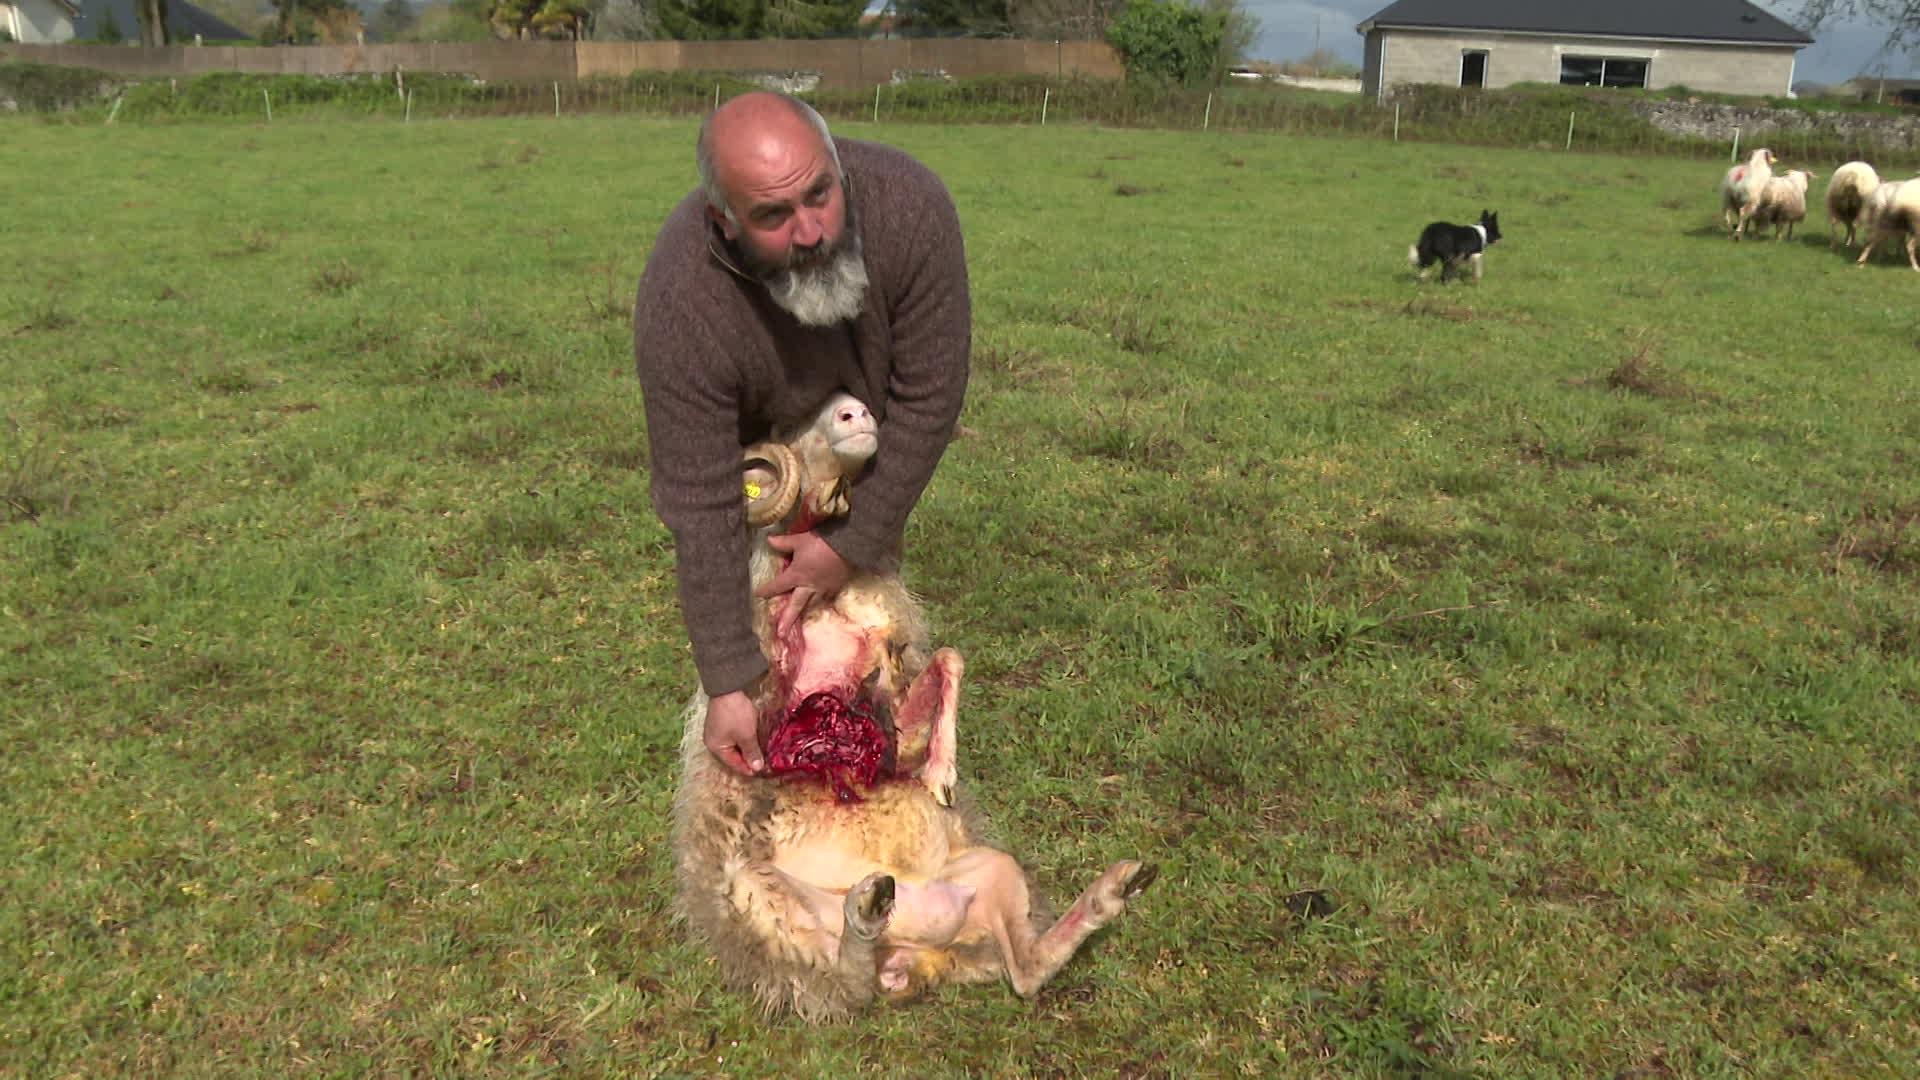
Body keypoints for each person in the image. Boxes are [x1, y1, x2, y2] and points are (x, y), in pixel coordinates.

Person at [633, 92, 971, 778]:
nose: (811, 230)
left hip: (868, 434)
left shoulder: (910, 207)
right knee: (766, 632)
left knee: (867, 621)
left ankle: (875, 745)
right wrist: (726, 676)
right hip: (760, 463)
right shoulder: (682, 300)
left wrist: (851, 542)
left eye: (821, 193)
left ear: (838, 165)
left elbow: (929, 394)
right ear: (723, 223)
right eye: (773, 216)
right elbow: (700, 500)